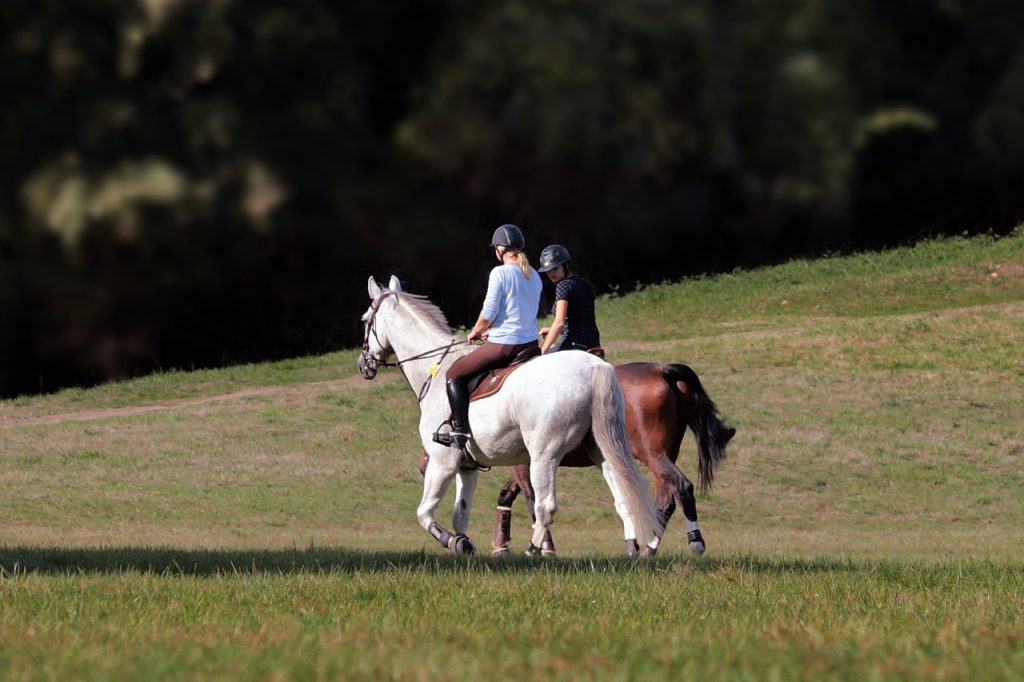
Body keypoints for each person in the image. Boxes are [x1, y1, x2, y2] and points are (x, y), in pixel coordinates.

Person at [441, 224, 543, 454]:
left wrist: (476, 331)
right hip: (530, 343)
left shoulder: (500, 272)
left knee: (453, 375)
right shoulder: (534, 274)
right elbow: (521, 311)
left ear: (499, 249)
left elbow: (489, 311)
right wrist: (493, 330)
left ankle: (459, 432)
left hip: (506, 345)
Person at [537, 244, 601, 355]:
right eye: (548, 271)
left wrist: (542, 351)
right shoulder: (581, 283)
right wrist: (551, 330)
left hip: (574, 345)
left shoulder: (563, 286)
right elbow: (578, 322)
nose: (551, 273)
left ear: (565, 265)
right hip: (594, 344)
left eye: (555, 268)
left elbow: (559, 323)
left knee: (537, 362)